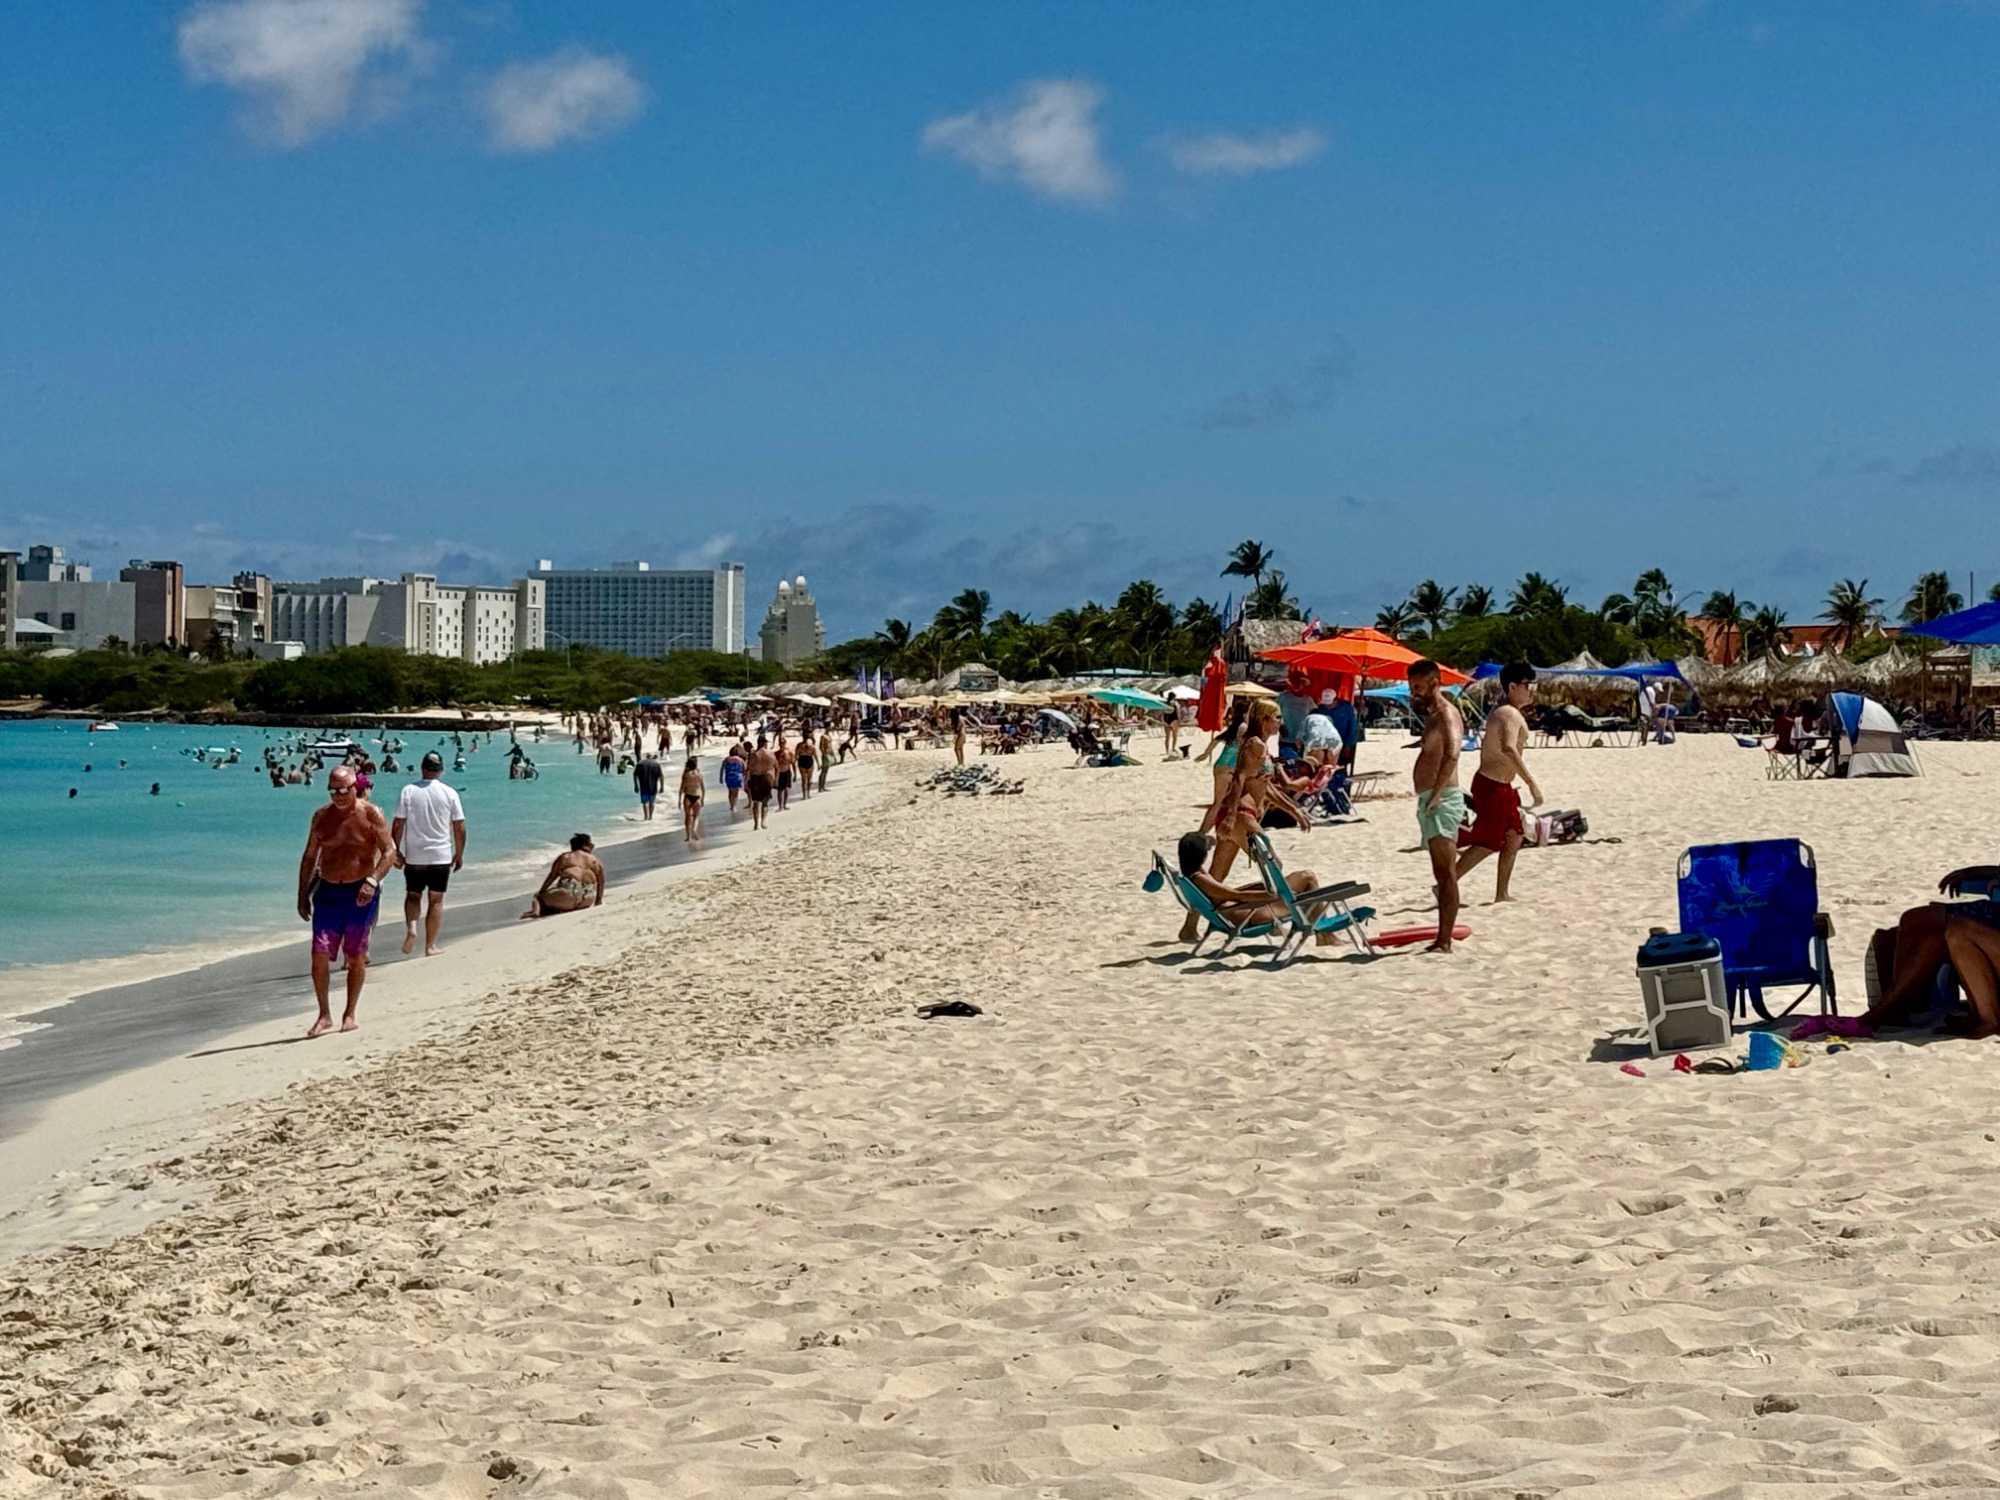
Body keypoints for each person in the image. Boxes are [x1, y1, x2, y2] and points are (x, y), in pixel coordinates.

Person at [297, 763, 396, 1037]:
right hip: (328, 892)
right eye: (333, 790)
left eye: (343, 790)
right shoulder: (321, 817)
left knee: (355, 956)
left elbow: (389, 852)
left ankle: (350, 1013)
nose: (338, 796)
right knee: (319, 953)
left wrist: (372, 881)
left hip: (360, 893)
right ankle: (324, 1015)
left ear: (355, 787)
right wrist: (302, 894)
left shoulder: (371, 814)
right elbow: (309, 856)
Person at [1456, 663, 1544, 904]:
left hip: (1499, 785)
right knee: (1488, 842)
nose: (1532, 690)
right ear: (1513, 687)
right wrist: (1532, 783)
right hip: (1492, 785)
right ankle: (1446, 884)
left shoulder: (1508, 712)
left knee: (1514, 836)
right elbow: (1508, 748)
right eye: (1528, 685)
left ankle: (1501, 893)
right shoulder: (1508, 713)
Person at [1410, 659, 1466, 954]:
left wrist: (1437, 794)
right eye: (1412, 687)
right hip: (1431, 798)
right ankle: (1442, 937)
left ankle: (1444, 940)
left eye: (1418, 687)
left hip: (1441, 800)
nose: (1414, 693)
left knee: (1446, 873)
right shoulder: (1432, 716)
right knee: (1440, 872)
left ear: (1434, 683)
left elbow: (1453, 753)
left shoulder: (1446, 713)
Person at [391, 750, 466, 958]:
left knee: (413, 895)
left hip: (415, 856)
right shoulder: (450, 793)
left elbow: (398, 824)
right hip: (440, 856)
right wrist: (459, 854)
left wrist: (395, 851)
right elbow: (459, 827)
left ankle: (412, 928)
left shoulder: (408, 790)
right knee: (436, 900)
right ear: (441, 770)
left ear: (422, 768)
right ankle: (430, 946)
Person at [521, 834, 605, 919]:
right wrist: (598, 900)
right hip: (587, 899)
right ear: (585, 845)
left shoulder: (565, 857)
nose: (593, 846)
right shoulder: (595, 861)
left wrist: (541, 893)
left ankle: (535, 912)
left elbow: (552, 877)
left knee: (538, 897)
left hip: (568, 895)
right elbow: (601, 882)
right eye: (591, 844)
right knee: (559, 899)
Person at [746, 735, 776, 831]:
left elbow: (749, 768)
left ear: (758, 743)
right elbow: (776, 766)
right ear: (764, 743)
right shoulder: (770, 753)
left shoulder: (753, 755)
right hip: (767, 778)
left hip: (755, 778)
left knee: (756, 802)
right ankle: (763, 822)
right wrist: (775, 779)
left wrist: (747, 780)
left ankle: (756, 825)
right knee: (765, 802)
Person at [679, 757, 704, 844]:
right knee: (696, 816)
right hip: (697, 796)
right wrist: (702, 799)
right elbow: (703, 788)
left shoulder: (686, 775)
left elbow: (682, 788)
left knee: (687, 816)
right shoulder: (699, 774)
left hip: (688, 797)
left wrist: (679, 799)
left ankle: (688, 836)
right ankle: (694, 829)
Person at [633, 753, 664, 823]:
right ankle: (650, 817)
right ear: (652, 757)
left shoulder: (640, 764)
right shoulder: (656, 764)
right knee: (651, 802)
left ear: (646, 757)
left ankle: (645, 817)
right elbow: (661, 776)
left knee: (644, 802)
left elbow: (635, 775)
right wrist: (662, 787)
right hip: (653, 787)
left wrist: (636, 786)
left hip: (643, 786)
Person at [722, 742, 746, 815]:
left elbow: (722, 769)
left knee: (730, 792)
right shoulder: (740, 760)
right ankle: (734, 806)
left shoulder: (726, 759)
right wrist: (744, 778)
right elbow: (744, 769)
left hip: (728, 777)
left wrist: (720, 778)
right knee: (736, 792)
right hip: (737, 777)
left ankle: (731, 805)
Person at [795, 733, 816, 802]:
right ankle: (806, 794)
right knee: (806, 780)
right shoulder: (801, 745)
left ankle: (806, 794)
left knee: (806, 780)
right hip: (806, 760)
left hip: (805, 760)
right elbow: (796, 754)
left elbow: (796, 755)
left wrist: (796, 760)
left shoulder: (808, 745)